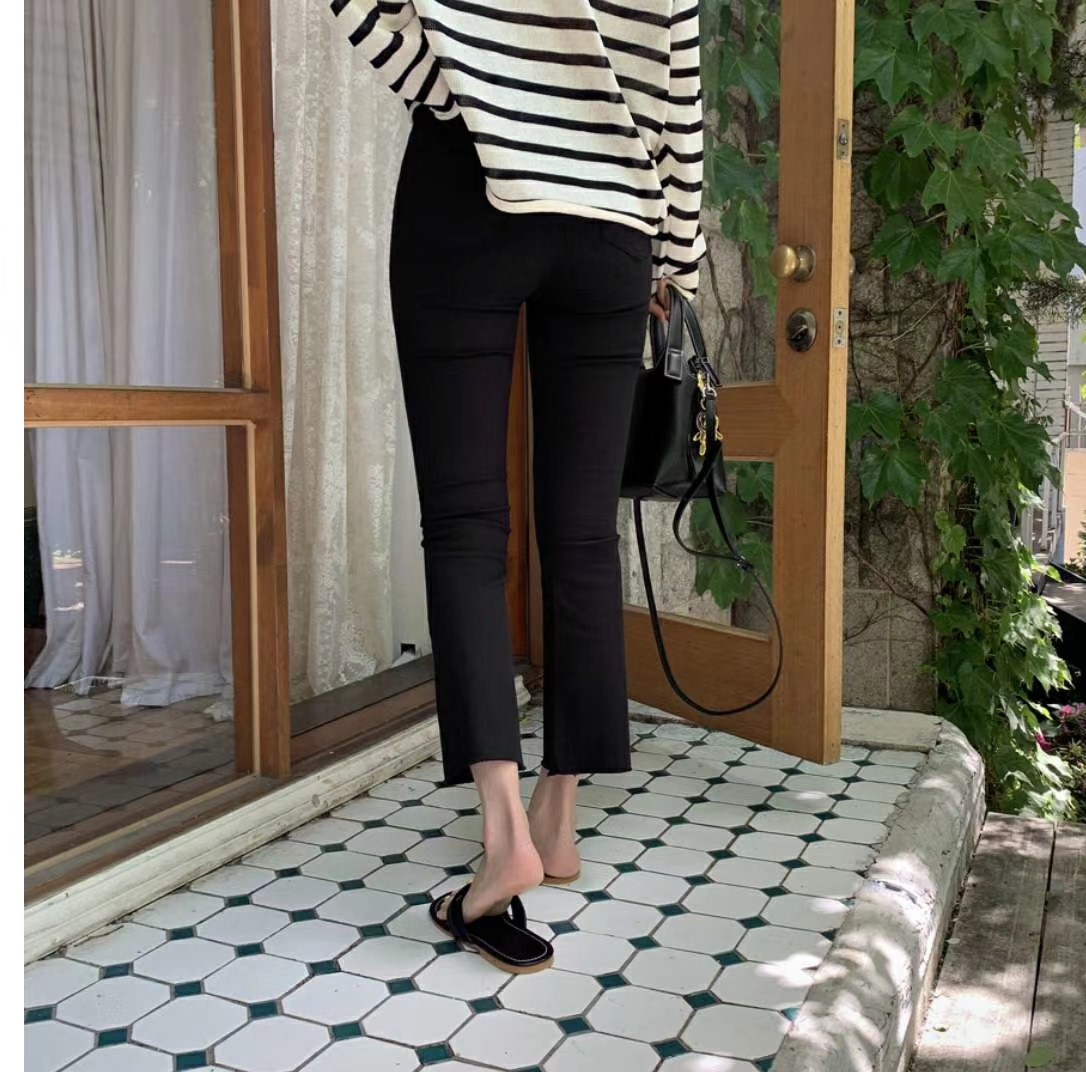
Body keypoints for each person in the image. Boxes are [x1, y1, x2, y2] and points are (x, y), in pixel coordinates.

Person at [327, 0, 706, 973]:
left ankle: (504, 840)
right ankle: (559, 818)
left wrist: (457, 92)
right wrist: (675, 255)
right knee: (581, 532)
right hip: (614, 212)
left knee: (464, 523)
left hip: (474, 180)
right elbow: (677, 84)